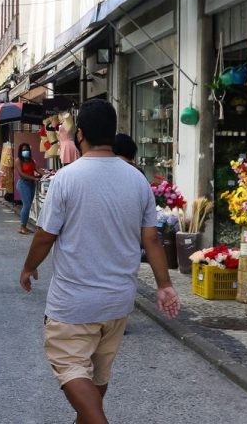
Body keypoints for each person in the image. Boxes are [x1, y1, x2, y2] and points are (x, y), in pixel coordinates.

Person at [19, 99, 179, 424]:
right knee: (97, 376)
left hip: (73, 304)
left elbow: (45, 235)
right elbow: (151, 239)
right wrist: (164, 285)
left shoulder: (66, 179)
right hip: (118, 303)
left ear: (80, 135)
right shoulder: (137, 179)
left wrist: (28, 266)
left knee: (71, 367)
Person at [15, 142, 42, 235]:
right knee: (26, 205)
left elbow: (38, 169)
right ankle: (22, 227)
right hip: (23, 184)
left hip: (31, 184)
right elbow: (21, 173)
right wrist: (34, 178)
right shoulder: (18, 160)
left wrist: (46, 174)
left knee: (29, 205)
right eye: (23, 150)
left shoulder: (31, 160)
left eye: (26, 149)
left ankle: (25, 226)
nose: (25, 151)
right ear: (20, 151)